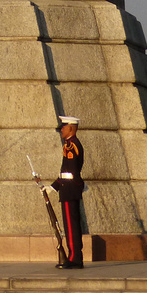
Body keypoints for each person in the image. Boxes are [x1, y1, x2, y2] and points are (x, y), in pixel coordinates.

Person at [51, 115, 85, 268]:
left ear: (70, 128)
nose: (61, 130)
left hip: (69, 189)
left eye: (63, 127)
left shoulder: (71, 145)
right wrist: (53, 186)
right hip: (69, 188)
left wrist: (56, 186)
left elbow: (69, 172)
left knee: (71, 226)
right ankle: (74, 257)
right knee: (71, 224)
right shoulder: (70, 144)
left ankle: (74, 259)